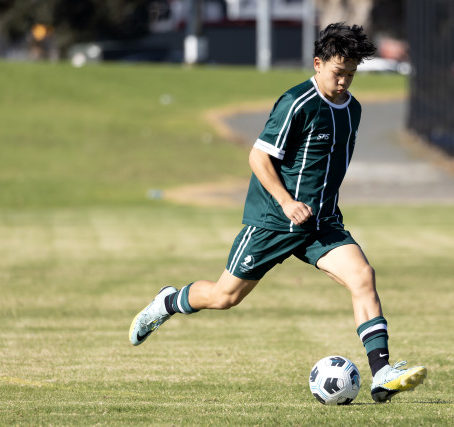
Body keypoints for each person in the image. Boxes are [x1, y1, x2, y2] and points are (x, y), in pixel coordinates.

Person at [129, 22, 426, 403]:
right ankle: (167, 302)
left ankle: (381, 375)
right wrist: (287, 202)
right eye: (338, 73)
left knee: (362, 277)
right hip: (274, 221)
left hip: (321, 223)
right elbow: (259, 158)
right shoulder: (296, 103)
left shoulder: (353, 109)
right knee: (224, 297)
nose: (343, 82)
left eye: (351, 75)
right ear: (318, 64)